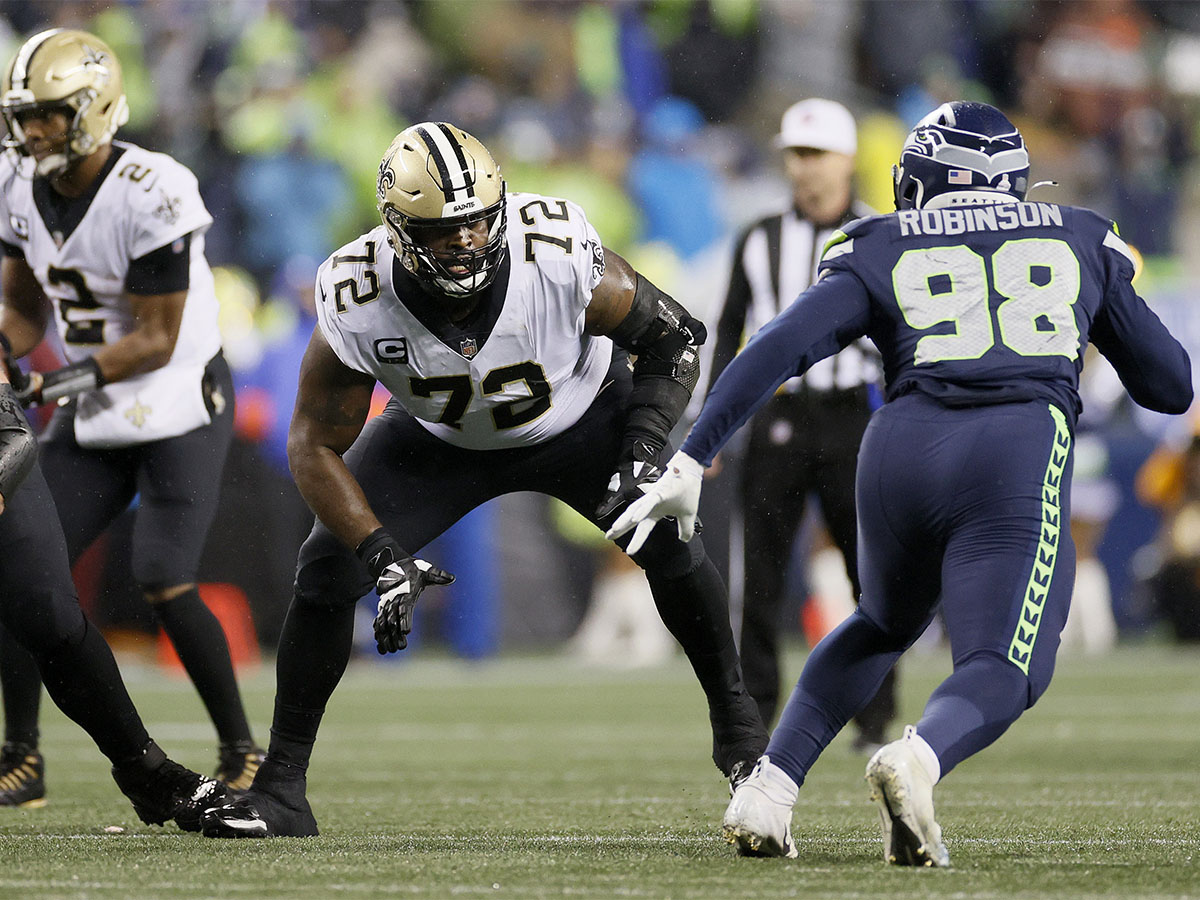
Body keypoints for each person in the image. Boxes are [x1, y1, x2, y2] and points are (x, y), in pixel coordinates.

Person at [608, 101, 1192, 866]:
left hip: (897, 446)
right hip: (1013, 445)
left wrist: (691, 455)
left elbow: (779, 346)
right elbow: (1171, 385)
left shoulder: (881, 240)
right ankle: (916, 759)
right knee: (1004, 666)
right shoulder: (1078, 233)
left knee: (882, 621)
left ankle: (770, 787)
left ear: (923, 180)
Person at [200, 121, 768, 838]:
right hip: (440, 439)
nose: (465, 242)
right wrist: (379, 552)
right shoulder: (357, 289)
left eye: (475, 224)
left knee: (671, 545)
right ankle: (282, 789)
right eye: (443, 231)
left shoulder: (553, 251)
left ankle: (743, 739)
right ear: (399, 232)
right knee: (322, 572)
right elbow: (313, 443)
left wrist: (643, 448)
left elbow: (674, 336)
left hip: (583, 418)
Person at [0, 28, 262, 806]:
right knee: (24, 576)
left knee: (162, 575)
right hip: (92, 398)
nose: (32, 130)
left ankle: (241, 750)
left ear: (94, 108)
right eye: (25, 115)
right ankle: (23, 755)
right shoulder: (16, 178)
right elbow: (21, 306)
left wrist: (49, 384)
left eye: (48, 115)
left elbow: (156, 337)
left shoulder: (154, 187)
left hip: (179, 393)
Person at [706, 98, 894, 746]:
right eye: (794, 154)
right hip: (780, 418)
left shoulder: (880, 233)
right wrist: (714, 424)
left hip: (855, 416)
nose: (803, 168)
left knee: (870, 573)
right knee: (759, 577)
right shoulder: (759, 239)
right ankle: (755, 715)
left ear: (845, 160)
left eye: (815, 154)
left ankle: (874, 715)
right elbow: (730, 331)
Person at [0, 349, 227, 829]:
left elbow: (13, 430)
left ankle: (146, 770)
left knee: (45, 608)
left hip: (166, 403)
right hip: (97, 419)